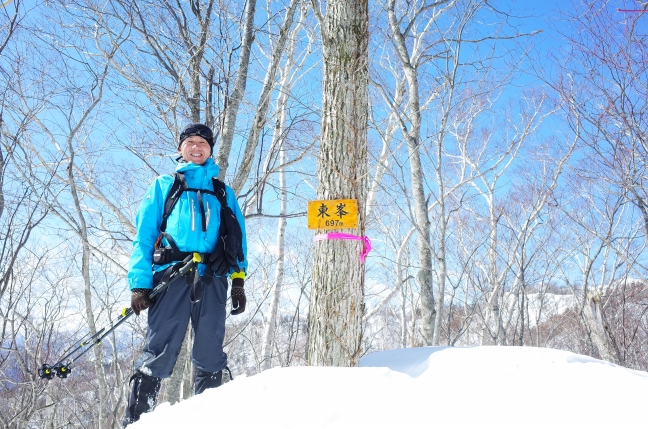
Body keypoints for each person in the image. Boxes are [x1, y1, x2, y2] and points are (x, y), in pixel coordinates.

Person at [123, 123, 248, 427]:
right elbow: (143, 236)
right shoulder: (165, 185)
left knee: (210, 353)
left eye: (202, 143)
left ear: (210, 150)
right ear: (180, 149)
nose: (196, 147)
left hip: (213, 278)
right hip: (171, 276)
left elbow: (238, 238)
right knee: (159, 352)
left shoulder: (222, 192)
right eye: (190, 142)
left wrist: (239, 281)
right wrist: (140, 284)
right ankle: (137, 422)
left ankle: (209, 421)